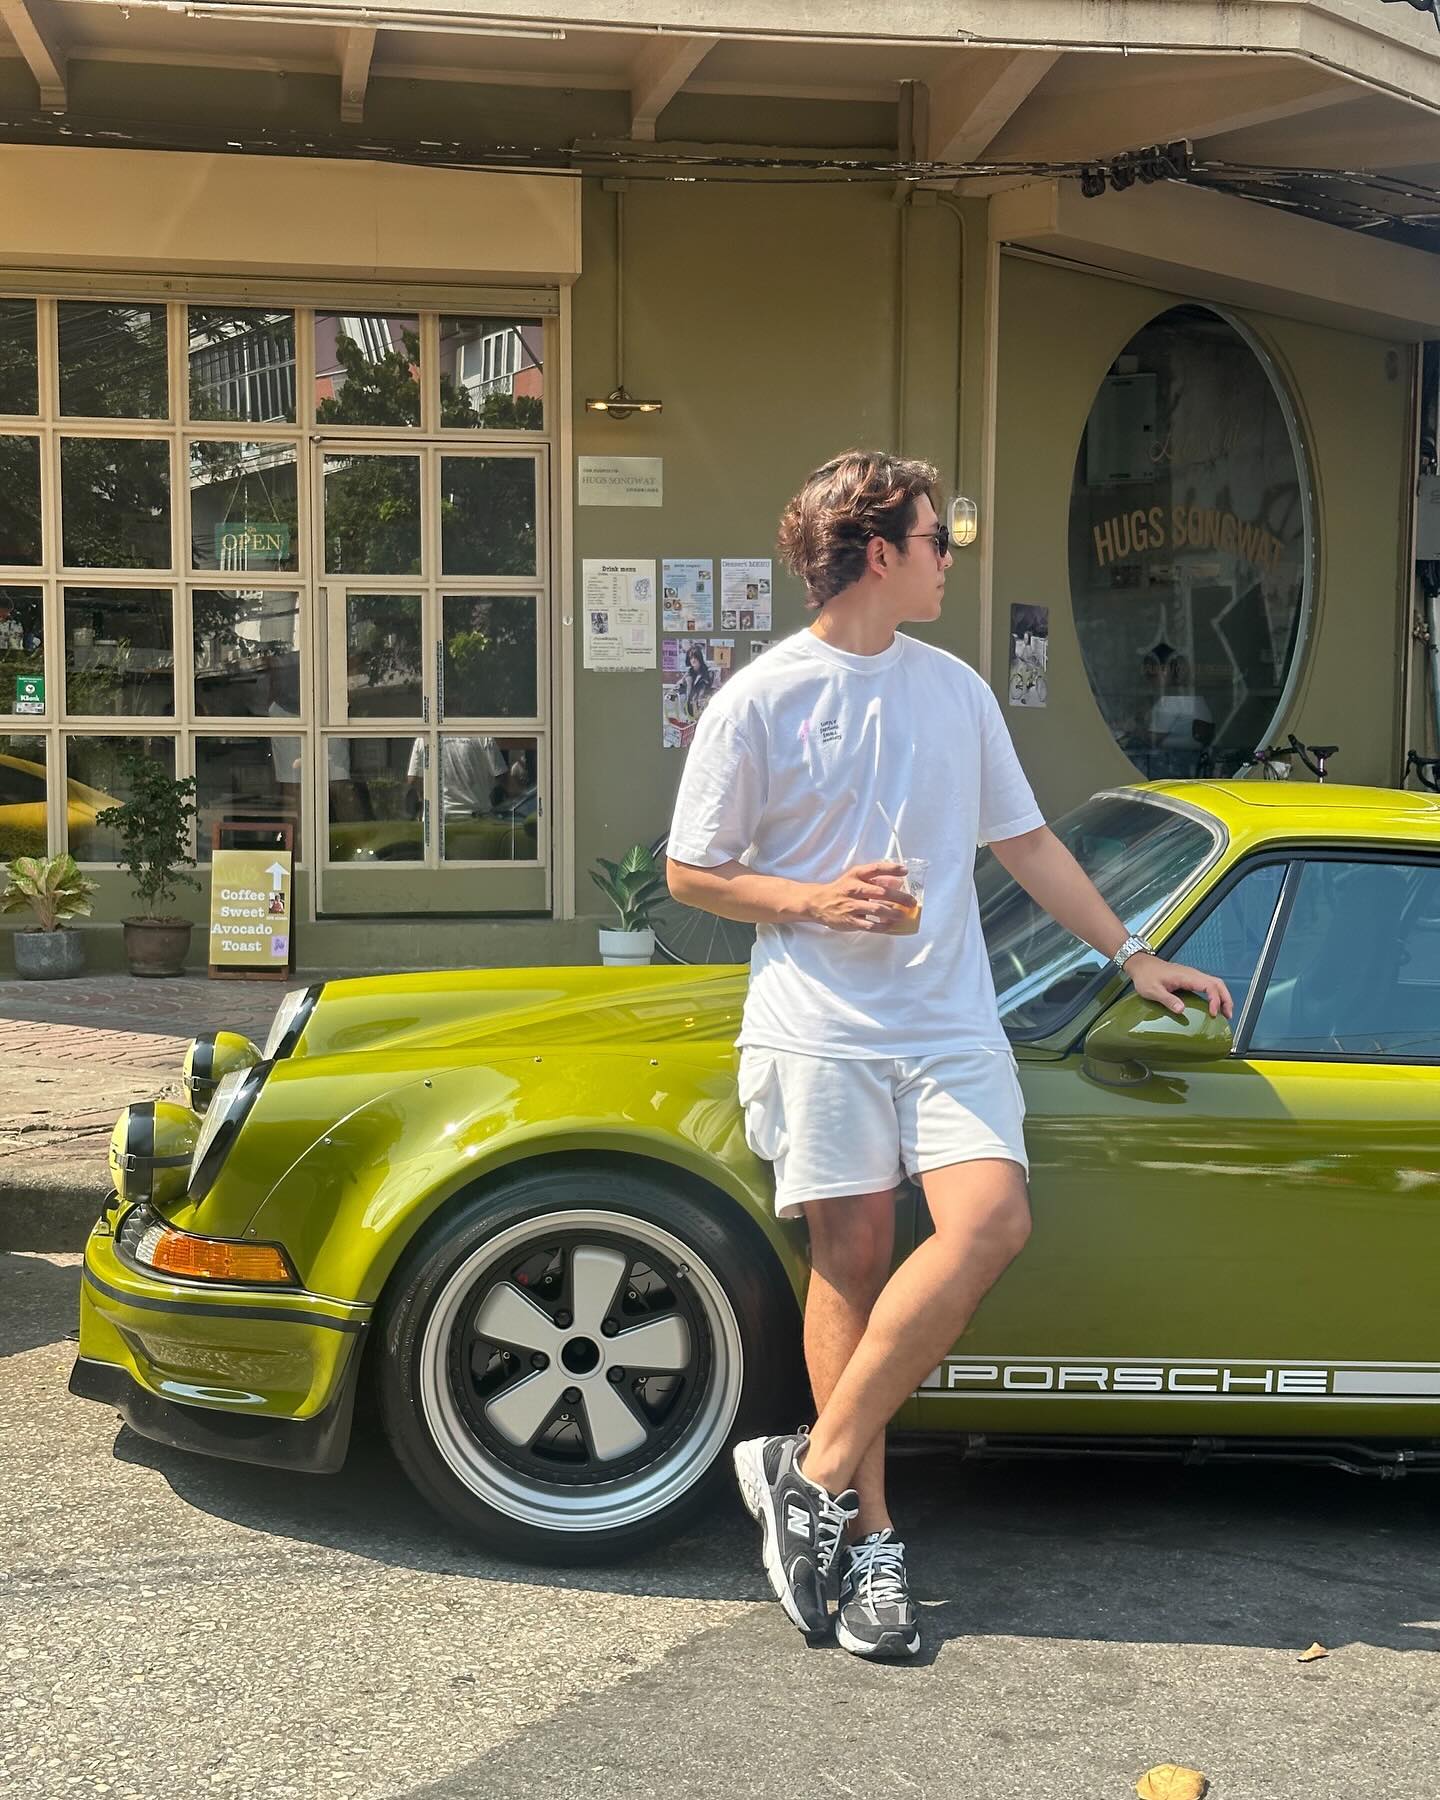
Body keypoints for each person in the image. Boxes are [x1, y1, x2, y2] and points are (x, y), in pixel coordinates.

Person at [666, 451, 1232, 1661]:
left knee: (990, 1223)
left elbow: (1024, 842)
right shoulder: (760, 699)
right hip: (819, 1027)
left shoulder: (957, 690)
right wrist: (813, 900)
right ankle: (870, 1544)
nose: (948, 561)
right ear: (880, 553)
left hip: (949, 1025)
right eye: (938, 541)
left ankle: (808, 1474)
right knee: (853, 1265)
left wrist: (1133, 952)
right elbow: (690, 870)